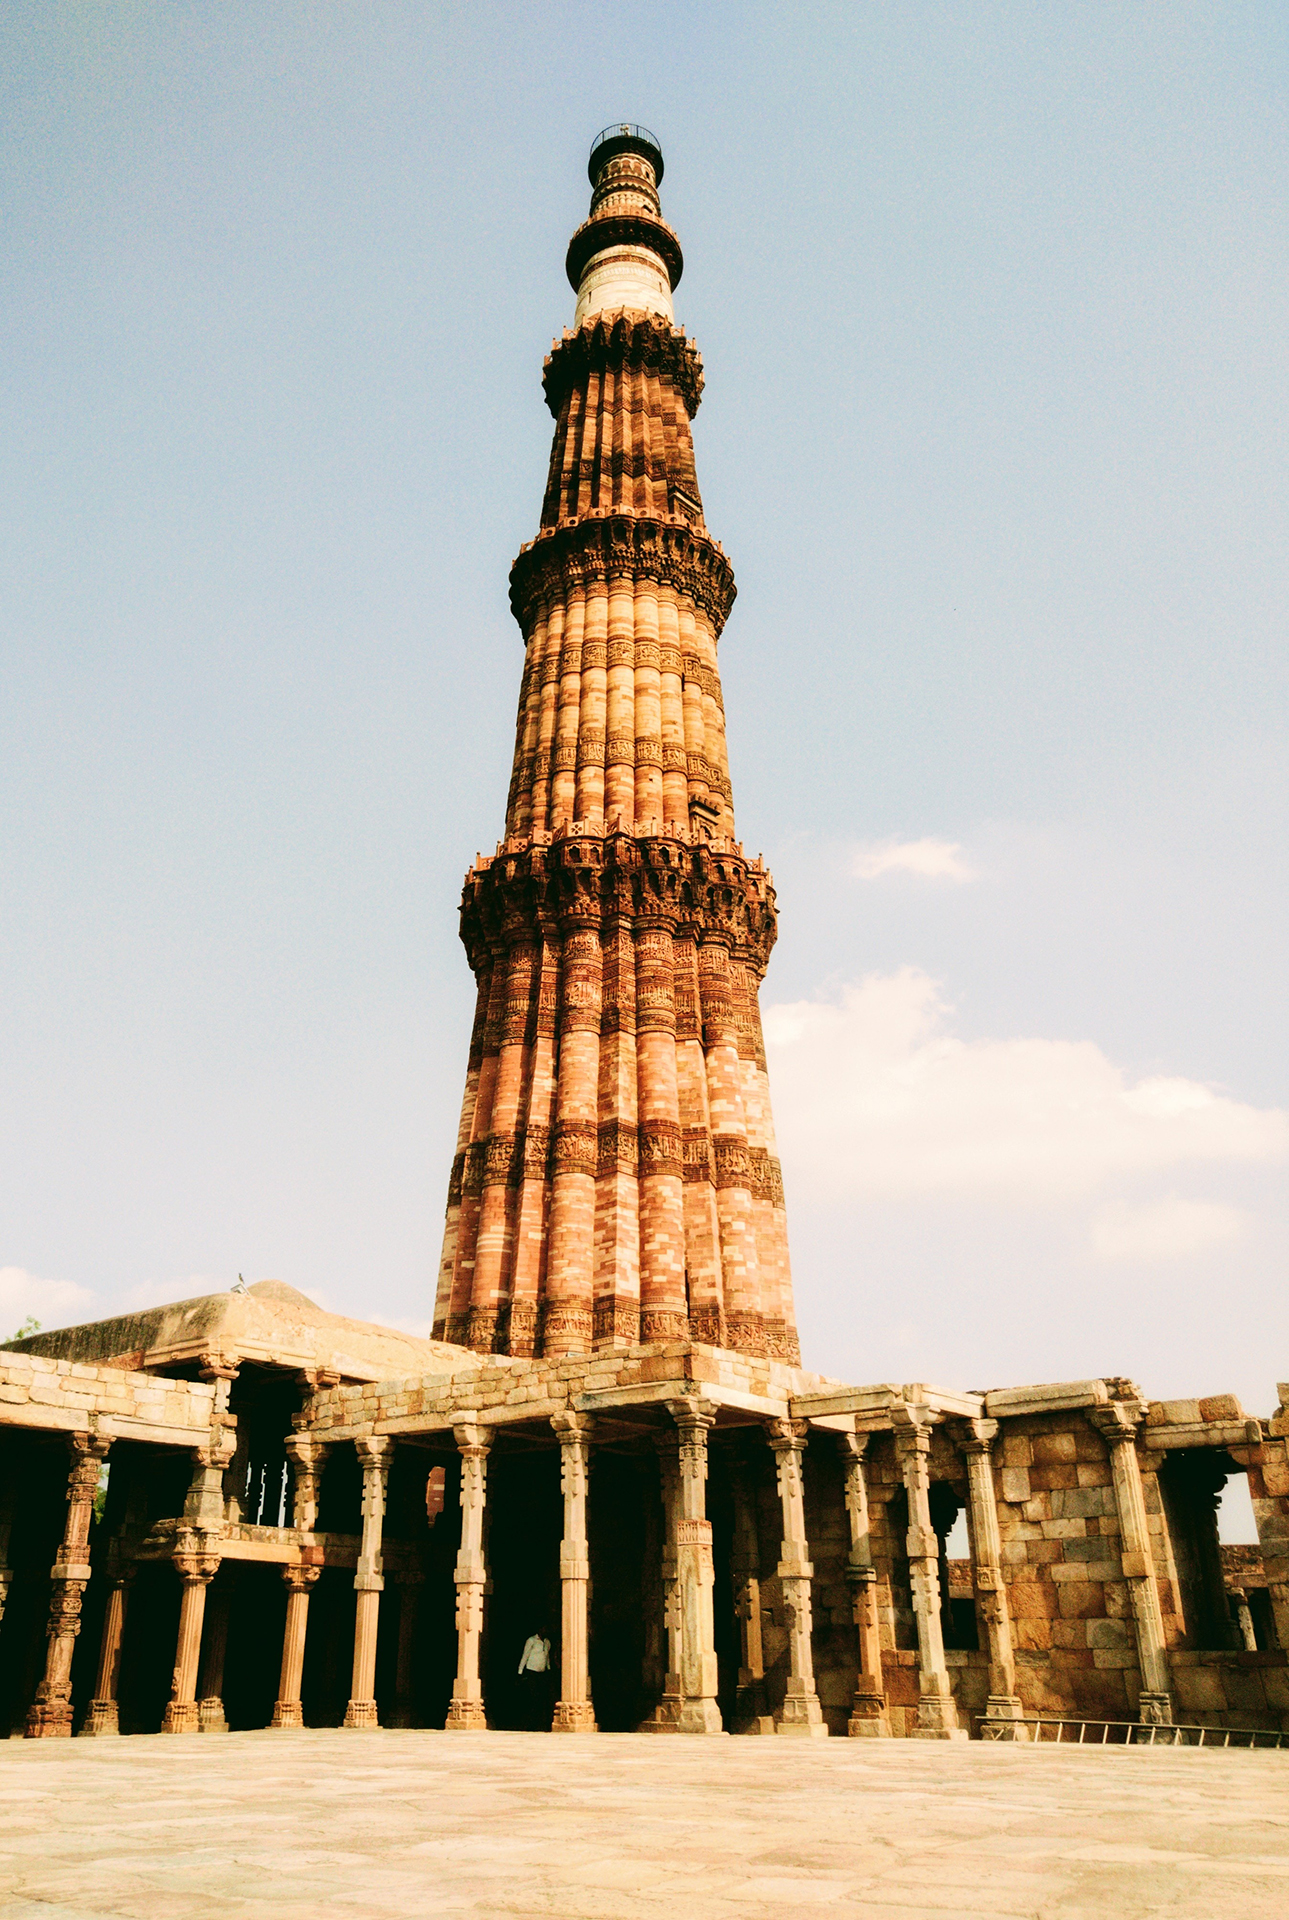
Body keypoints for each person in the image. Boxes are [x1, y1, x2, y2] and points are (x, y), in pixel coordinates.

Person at [516, 1629, 552, 1730]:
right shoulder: (531, 1640)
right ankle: (530, 1723)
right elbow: (525, 1655)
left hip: (542, 1672)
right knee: (533, 1696)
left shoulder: (547, 1642)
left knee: (541, 1697)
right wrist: (520, 1671)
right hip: (532, 1671)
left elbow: (547, 1656)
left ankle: (540, 1722)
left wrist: (548, 1668)